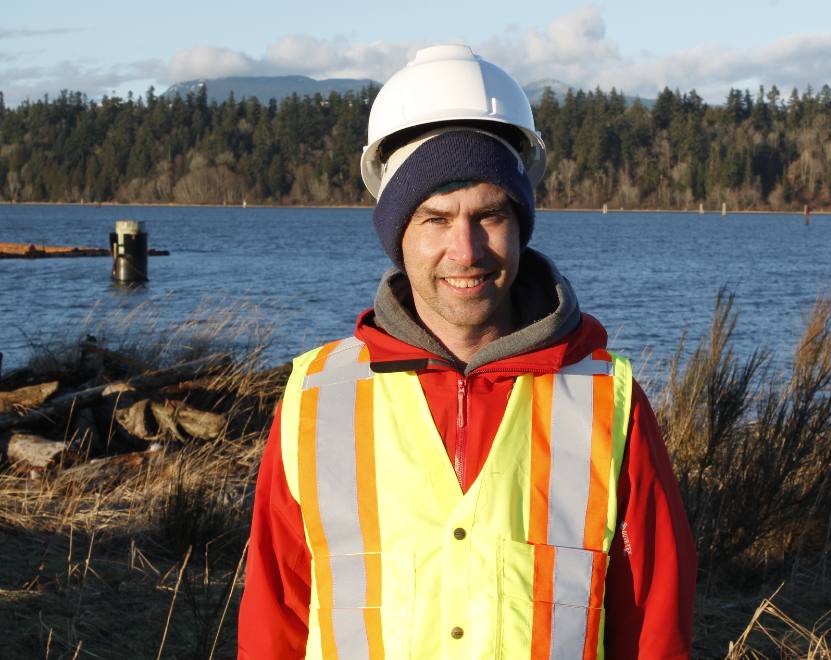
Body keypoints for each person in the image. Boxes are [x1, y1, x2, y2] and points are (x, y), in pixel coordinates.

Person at [238, 44, 696, 659]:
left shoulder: (605, 402)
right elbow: (276, 618)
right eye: (435, 218)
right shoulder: (318, 400)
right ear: (397, 234)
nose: (466, 249)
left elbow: (653, 628)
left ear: (520, 222)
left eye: (489, 215)